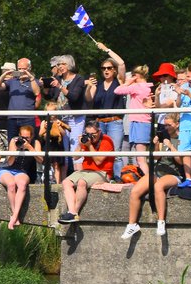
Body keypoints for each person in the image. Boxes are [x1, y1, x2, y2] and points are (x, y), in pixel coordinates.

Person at [120, 126, 186, 239]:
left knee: (158, 186)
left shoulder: (182, 138)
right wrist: (156, 145)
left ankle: (161, 221)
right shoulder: (165, 138)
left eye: (169, 125)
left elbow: (181, 161)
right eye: (165, 125)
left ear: (176, 124)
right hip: (158, 172)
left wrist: (170, 146)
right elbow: (156, 157)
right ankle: (132, 225)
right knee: (135, 191)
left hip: (174, 174)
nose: (166, 128)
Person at [58, 120, 114, 224]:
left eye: (93, 134)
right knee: (66, 182)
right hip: (86, 171)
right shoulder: (86, 140)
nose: (91, 137)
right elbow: (75, 157)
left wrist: (89, 146)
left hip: (102, 172)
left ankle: (74, 213)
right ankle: (72, 211)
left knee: (81, 182)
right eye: (88, 134)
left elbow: (98, 161)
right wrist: (80, 145)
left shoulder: (107, 140)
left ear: (99, 131)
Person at [86, 50, 127, 178]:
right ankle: (102, 177)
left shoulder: (119, 81)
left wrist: (106, 49)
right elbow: (89, 99)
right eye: (103, 68)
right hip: (100, 124)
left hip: (115, 122)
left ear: (114, 70)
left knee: (116, 152)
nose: (106, 70)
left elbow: (121, 63)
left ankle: (118, 179)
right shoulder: (97, 85)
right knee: (98, 151)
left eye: (109, 68)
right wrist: (88, 86)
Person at [0, 124, 42, 230]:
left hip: (21, 171)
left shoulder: (35, 143)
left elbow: (40, 160)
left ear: (32, 137)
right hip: (6, 169)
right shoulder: (14, 141)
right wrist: (15, 151)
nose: (24, 140)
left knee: (21, 184)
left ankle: (14, 216)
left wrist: (29, 147)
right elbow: (10, 162)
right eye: (22, 137)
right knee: (11, 184)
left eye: (27, 138)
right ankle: (14, 216)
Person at [0, 58, 41, 140]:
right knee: (12, 143)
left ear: (29, 68)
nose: (21, 71)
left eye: (24, 69)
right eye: (19, 69)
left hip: (28, 118)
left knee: (29, 142)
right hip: (12, 118)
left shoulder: (34, 81)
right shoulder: (12, 81)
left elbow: (37, 92)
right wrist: (4, 74)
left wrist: (31, 78)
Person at [114, 64, 153, 157]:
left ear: (136, 76)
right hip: (143, 121)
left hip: (139, 121)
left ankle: (145, 172)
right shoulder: (148, 86)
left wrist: (127, 83)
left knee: (140, 158)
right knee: (140, 156)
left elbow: (117, 90)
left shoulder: (137, 87)